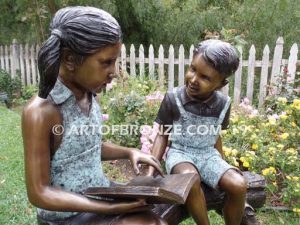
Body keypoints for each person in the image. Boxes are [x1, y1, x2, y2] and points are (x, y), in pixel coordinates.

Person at [22, 6, 168, 225]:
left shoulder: (89, 94)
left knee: (158, 199)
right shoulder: (41, 112)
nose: (115, 72)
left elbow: (83, 148)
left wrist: (129, 152)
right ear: (70, 60)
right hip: (68, 216)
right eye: (106, 62)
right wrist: (109, 207)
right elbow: (39, 193)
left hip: (100, 193)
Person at [147, 39, 247, 225]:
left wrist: (220, 166)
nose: (193, 79)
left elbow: (216, 135)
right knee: (191, 179)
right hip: (180, 155)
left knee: (238, 184)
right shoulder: (173, 98)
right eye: (193, 69)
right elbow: (162, 134)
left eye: (205, 77)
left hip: (208, 156)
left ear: (220, 84)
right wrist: (151, 170)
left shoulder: (223, 105)